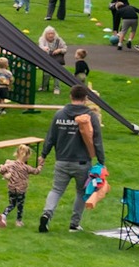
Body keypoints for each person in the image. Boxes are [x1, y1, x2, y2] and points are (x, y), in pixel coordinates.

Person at [37, 82, 104, 233]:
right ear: (86, 98)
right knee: (81, 192)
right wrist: (101, 161)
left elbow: (50, 137)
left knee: (56, 190)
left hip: (61, 160)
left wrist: (43, 154)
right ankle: (74, 224)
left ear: (70, 96)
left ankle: (46, 214)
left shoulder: (59, 114)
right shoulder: (90, 116)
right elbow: (97, 140)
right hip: (82, 162)